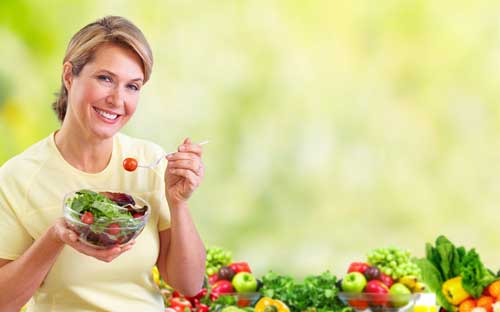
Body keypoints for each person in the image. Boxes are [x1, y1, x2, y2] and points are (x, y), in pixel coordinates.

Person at [0, 16, 206, 312]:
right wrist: (57, 236)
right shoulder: (18, 177)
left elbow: (188, 284)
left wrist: (178, 203)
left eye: (132, 86)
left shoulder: (149, 162)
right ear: (69, 76)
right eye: (105, 79)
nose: (117, 100)